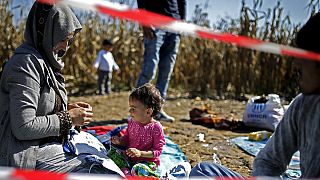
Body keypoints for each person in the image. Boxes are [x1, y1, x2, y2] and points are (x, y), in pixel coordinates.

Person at [188, 12, 320, 179]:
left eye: (303, 56)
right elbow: (269, 161)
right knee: (203, 171)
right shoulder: (302, 105)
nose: (295, 65)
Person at [0, 1, 105, 174]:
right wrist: (67, 118)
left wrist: (65, 109)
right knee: (98, 172)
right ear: (44, 32)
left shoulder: (43, 61)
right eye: (61, 38)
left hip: (40, 145)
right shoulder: (25, 64)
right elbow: (23, 127)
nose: (65, 47)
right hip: (25, 152)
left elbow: (38, 107)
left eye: (69, 40)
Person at [135, 0, 187, 122]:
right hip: (153, 22)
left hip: (174, 26)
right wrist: (144, 22)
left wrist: (182, 22)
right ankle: (135, 110)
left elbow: (182, 2)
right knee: (149, 70)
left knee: (166, 72)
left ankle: (157, 111)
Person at [111, 83, 166, 176]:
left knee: (140, 169)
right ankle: (126, 171)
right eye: (130, 108)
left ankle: (128, 173)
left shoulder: (156, 128)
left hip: (146, 162)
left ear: (148, 111)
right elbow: (127, 139)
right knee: (113, 154)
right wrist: (120, 141)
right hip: (129, 158)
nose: (130, 111)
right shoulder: (132, 122)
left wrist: (140, 153)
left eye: (133, 109)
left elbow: (157, 151)